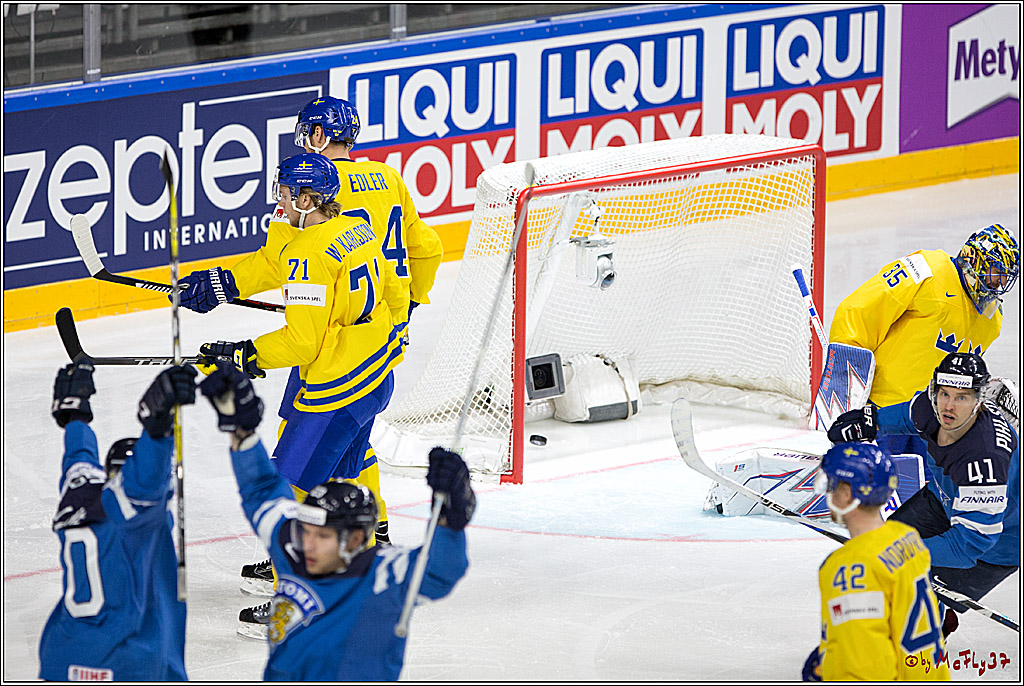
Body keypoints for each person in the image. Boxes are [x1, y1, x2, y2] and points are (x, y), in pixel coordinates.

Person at [196, 152, 409, 636]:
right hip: (377, 374)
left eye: (286, 193)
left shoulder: (309, 254)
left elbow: (302, 342)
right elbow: (396, 289)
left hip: (338, 390)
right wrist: (219, 284)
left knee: (293, 489)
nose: (279, 199)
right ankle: (353, 572)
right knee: (344, 476)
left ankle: (293, 602)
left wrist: (243, 354)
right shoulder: (356, 227)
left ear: (308, 199)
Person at [197, 360, 472, 680]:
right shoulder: (293, 547)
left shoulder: (382, 575)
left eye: (323, 537)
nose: (308, 543)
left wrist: (451, 521)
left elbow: (440, 571)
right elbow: (262, 490)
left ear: (356, 540)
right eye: (307, 531)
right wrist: (242, 433)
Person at [827, 352, 1019, 637]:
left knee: (910, 578)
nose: (949, 406)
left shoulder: (984, 460)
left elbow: (971, 544)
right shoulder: (932, 407)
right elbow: (908, 417)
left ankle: (927, 639)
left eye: (961, 397)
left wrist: (902, 552)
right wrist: (870, 422)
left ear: (979, 401)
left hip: (997, 543)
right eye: (944, 394)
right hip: (941, 501)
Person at [38, 358, 196, 681]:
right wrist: (157, 428)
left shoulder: (78, 493)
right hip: (128, 665)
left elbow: (78, 461)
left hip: (63, 658)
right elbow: (145, 481)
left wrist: (75, 417)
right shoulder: (136, 511)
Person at [828, 224, 1019, 460]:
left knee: (925, 493)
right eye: (995, 271)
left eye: (1005, 277)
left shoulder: (993, 318)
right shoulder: (926, 269)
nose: (999, 283)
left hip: (934, 423)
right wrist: (845, 381)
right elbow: (858, 311)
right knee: (870, 489)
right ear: (974, 258)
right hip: (881, 413)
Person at [801, 442, 949, 681]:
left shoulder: (849, 566)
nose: (827, 492)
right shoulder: (906, 538)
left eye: (831, 486)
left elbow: (865, 665)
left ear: (848, 493)